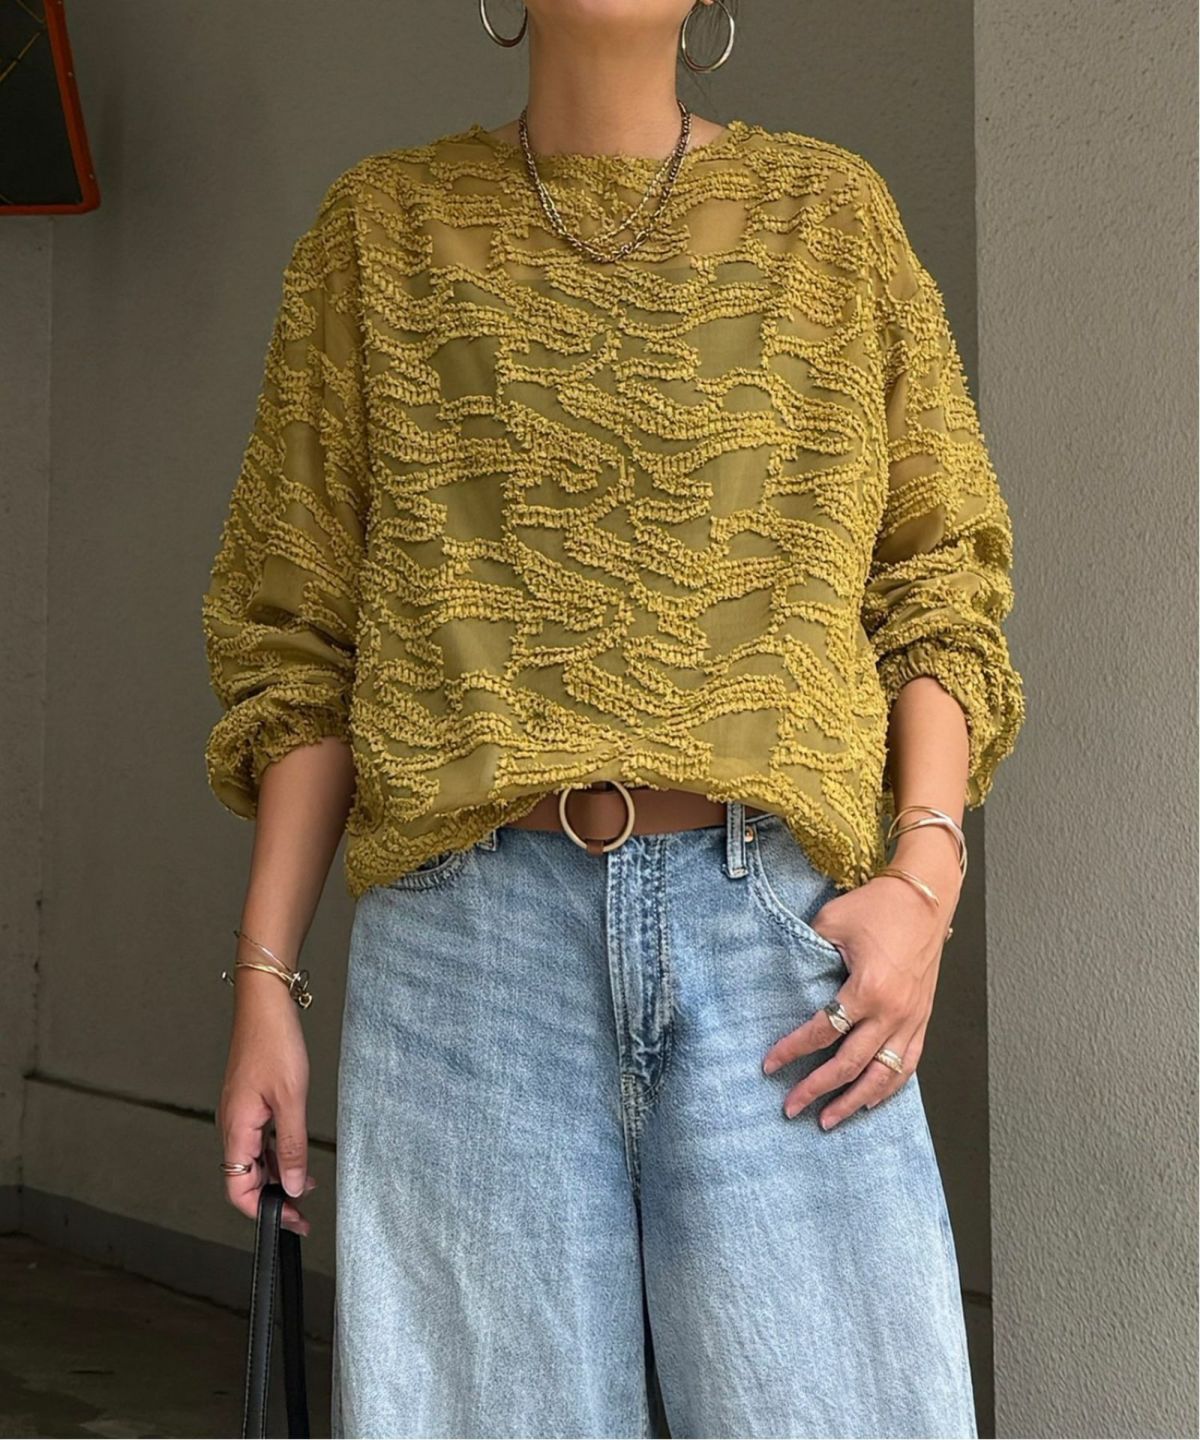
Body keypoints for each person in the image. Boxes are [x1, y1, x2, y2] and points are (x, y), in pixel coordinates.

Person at [203, 2, 1026, 1435]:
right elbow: (299, 637)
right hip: (469, 956)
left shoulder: (830, 221)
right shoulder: (379, 234)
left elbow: (940, 580)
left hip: (779, 948)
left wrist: (927, 883)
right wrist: (265, 981)